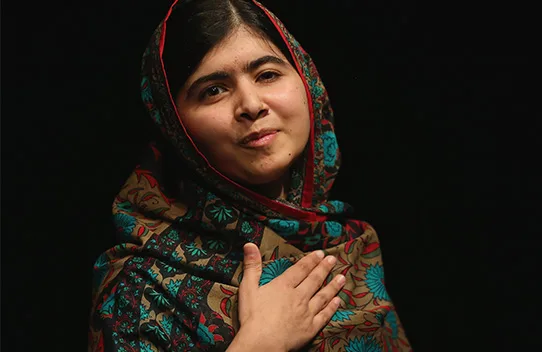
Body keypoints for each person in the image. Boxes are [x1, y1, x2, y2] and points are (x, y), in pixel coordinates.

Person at [88, 0, 413, 350]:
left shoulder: (348, 243)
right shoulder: (141, 288)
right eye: (213, 90)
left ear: (306, 81)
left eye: (267, 75)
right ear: (175, 126)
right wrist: (260, 343)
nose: (251, 104)